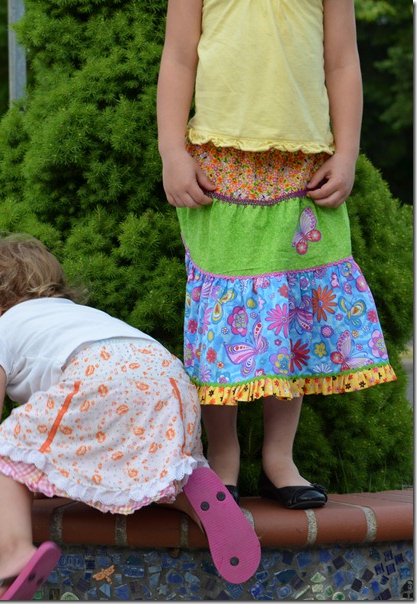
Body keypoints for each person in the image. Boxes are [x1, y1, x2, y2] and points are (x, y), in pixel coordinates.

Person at [157, 0, 396, 509]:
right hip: (219, 164)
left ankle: (278, 459)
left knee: (288, 311)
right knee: (227, 319)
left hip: (301, 167)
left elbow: (342, 61)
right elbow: (179, 57)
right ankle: (223, 456)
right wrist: (172, 152)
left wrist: (347, 152)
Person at [0, 235, 261, 600]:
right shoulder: (76, 315)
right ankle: (188, 490)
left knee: (1, 453)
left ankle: (13, 556)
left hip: (101, 377)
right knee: (135, 464)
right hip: (166, 374)